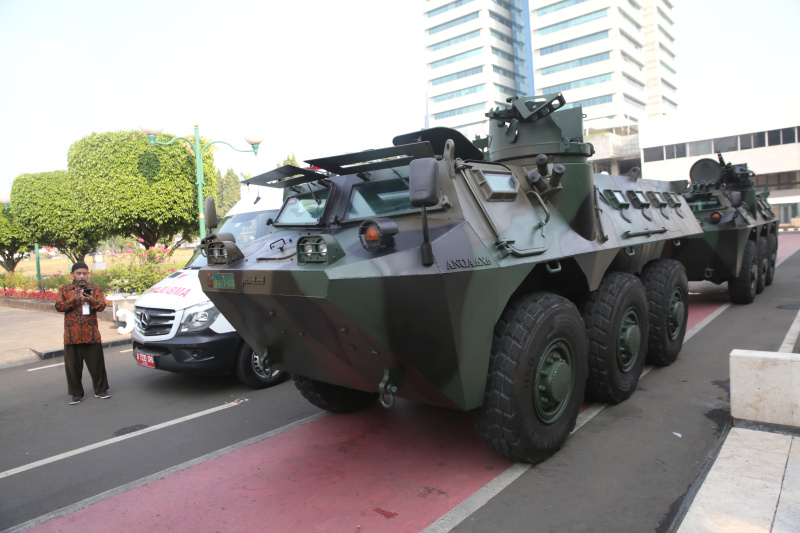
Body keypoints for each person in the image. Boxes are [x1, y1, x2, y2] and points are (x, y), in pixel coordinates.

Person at [55, 261, 111, 405]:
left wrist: (91, 299)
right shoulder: (65, 289)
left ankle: (101, 390)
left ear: (88, 274)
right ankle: (76, 394)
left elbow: (102, 306)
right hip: (71, 336)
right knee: (73, 368)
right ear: (72, 274)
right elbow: (59, 307)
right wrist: (73, 299)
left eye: (84, 273)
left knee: (97, 365)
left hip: (91, 334)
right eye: (78, 273)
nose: (81, 276)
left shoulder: (94, 288)